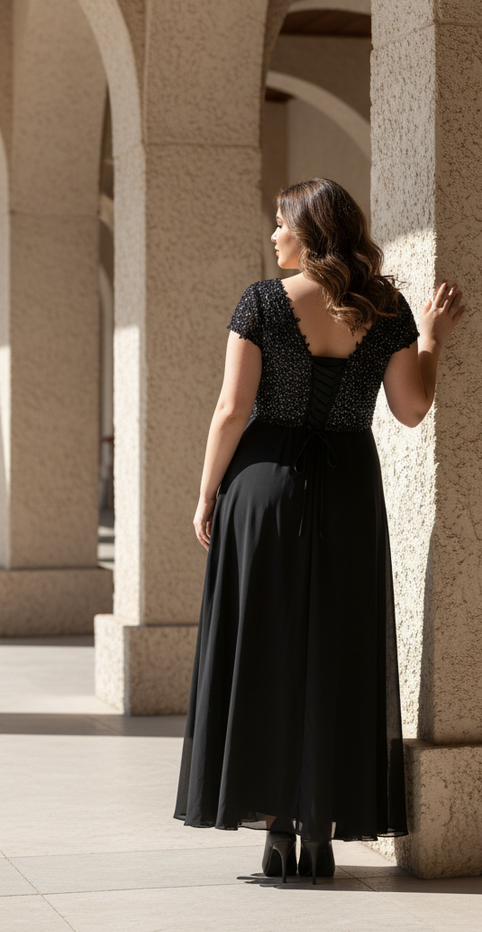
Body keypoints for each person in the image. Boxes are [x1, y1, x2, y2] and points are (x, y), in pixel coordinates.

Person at [174, 178, 464, 883]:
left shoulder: (263, 303)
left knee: (267, 648)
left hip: (265, 489)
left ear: (307, 231)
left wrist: (207, 490)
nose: (273, 236)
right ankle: (322, 832)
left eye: (281, 224)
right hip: (347, 490)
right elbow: (411, 408)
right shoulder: (387, 309)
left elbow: (230, 407)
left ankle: (275, 830)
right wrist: (430, 340)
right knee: (337, 647)